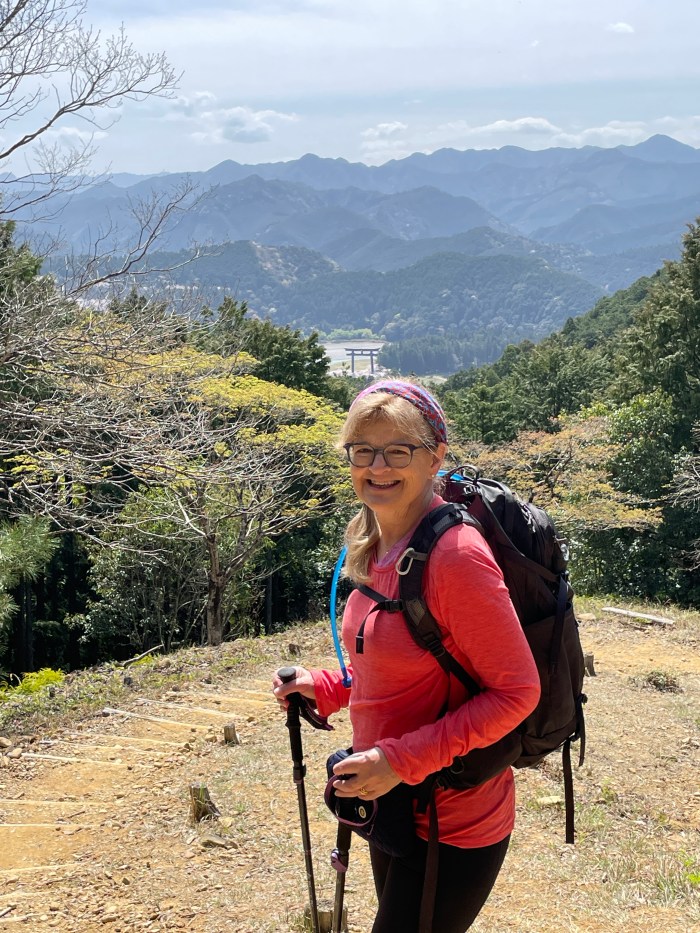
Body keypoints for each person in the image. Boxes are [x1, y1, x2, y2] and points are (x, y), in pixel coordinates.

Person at [273, 379, 540, 933]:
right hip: (392, 799)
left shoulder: (456, 557)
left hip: (451, 817)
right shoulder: (375, 541)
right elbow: (401, 663)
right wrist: (325, 686)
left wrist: (398, 760)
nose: (378, 465)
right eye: (363, 450)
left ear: (436, 455)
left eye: (399, 450)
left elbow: (517, 693)